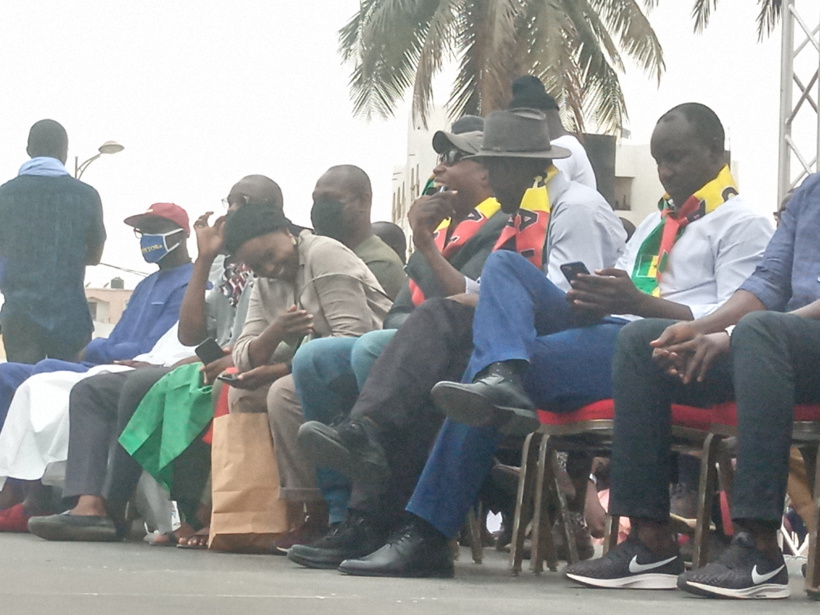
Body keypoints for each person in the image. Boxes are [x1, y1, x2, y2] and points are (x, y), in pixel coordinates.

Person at [338, 102, 772, 579]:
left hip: (658, 346)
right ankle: (499, 378)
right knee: (504, 275)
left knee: (481, 385)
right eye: (658, 161)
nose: (665, 172)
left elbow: (737, 322)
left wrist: (638, 304)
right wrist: (599, 295)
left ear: (716, 151)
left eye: (677, 158)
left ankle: (427, 530)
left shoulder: (742, 221)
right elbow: (618, 295)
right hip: (608, 329)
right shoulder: (653, 223)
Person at [292, 107, 626, 572]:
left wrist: (479, 305)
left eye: (490, 168)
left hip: (581, 342)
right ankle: (375, 503)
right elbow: (486, 298)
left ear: (514, 168)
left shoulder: (577, 209)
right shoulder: (521, 213)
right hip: (525, 344)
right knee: (467, 372)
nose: (486, 180)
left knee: (470, 356)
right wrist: (430, 249)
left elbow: (575, 306)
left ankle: (388, 494)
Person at [564, 173, 820, 599]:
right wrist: (698, 329)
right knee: (642, 340)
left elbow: (765, 321)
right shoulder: (812, 189)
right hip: (782, 347)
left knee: (760, 331)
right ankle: (650, 543)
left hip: (786, 341)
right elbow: (768, 283)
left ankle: (759, 550)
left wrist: (733, 336)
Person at [284, 118, 508, 556]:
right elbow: (402, 309)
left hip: (463, 349)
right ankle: (340, 514)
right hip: (410, 339)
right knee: (313, 359)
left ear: (487, 172)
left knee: (372, 348)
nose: (440, 170)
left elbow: (466, 307)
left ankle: (381, 516)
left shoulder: (501, 224)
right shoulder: (445, 229)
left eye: (455, 159)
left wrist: (423, 243)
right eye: (439, 159)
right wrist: (427, 239)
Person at [26, 176, 285, 544]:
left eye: (232, 205)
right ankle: (89, 504)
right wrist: (205, 259)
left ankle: (116, 510)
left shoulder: (275, 258)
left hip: (246, 364)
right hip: (206, 362)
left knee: (143, 385)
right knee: (92, 390)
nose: (225, 216)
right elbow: (191, 335)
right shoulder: (221, 268)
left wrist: (218, 358)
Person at [0, 203, 193, 530]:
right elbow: (117, 340)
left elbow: (153, 349)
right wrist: (102, 349)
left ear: (182, 235)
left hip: (136, 369)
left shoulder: (190, 283)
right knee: (7, 374)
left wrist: (100, 348)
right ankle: (14, 485)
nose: (147, 238)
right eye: (143, 231)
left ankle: (31, 497)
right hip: (106, 362)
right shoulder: (146, 285)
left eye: (155, 229)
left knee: (42, 379)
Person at [222, 202, 392, 544]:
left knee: (283, 393)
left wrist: (280, 367)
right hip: (310, 365)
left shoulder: (324, 254)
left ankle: (320, 509)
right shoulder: (264, 282)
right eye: (258, 265)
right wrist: (275, 331)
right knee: (240, 392)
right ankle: (273, 511)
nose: (270, 267)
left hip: (372, 368)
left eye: (272, 254)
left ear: (288, 232)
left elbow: (352, 340)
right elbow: (244, 355)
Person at [0, 119, 106, 364]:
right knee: (66, 392)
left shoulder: (4, 196)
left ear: (28, 149)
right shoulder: (87, 195)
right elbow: (95, 256)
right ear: (64, 152)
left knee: (21, 387)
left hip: (21, 316)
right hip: (71, 316)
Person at [311, 165, 405, 300]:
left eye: (331, 198)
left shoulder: (380, 264)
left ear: (363, 202)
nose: (321, 206)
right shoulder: (325, 254)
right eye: (316, 199)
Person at [508, 76, 597, 189]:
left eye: (521, 121)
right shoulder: (567, 144)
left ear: (536, 116)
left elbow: (541, 197)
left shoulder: (561, 150)